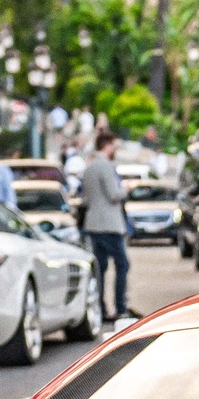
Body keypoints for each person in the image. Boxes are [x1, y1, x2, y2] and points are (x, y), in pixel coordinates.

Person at [81, 129, 132, 322]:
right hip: (109, 225)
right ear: (108, 145)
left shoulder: (89, 167)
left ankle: (101, 308)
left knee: (100, 268)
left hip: (93, 224)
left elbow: (86, 199)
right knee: (123, 265)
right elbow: (113, 195)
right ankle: (120, 307)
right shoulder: (106, 166)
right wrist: (126, 189)